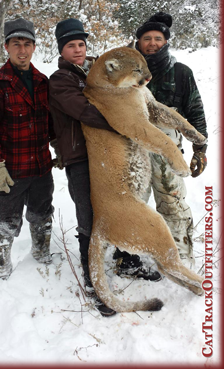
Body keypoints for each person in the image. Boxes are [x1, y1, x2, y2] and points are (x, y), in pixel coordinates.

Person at [48, 18, 160, 317]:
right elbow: (85, 111)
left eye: (81, 44)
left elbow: (125, 92)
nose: (78, 50)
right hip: (81, 158)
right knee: (89, 215)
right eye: (71, 45)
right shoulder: (61, 80)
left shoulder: (94, 72)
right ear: (61, 49)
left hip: (110, 153)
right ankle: (93, 280)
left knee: (123, 204)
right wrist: (124, 124)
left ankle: (128, 260)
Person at [0, 17, 55, 280]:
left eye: (27, 44)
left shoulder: (43, 82)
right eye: (16, 44)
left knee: (42, 214)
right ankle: (0, 267)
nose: (22, 50)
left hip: (41, 167)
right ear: (7, 47)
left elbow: (52, 125)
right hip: (11, 170)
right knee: (4, 221)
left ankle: (42, 253)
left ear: (34, 47)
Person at [134, 11, 208, 269]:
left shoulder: (180, 72)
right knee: (134, 205)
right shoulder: (128, 72)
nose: (152, 43)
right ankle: (134, 255)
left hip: (167, 153)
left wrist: (200, 148)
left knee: (173, 205)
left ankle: (181, 259)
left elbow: (195, 111)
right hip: (132, 152)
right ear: (138, 42)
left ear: (166, 42)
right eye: (147, 38)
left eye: (158, 38)